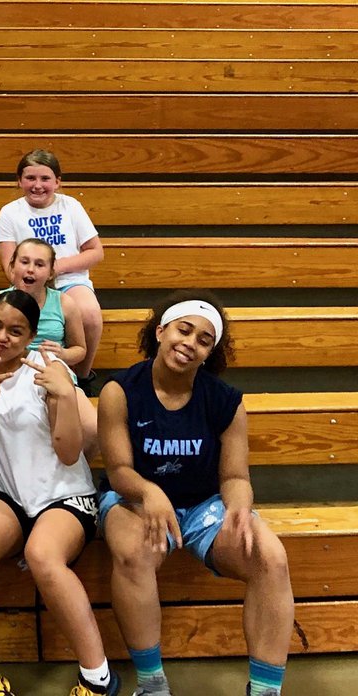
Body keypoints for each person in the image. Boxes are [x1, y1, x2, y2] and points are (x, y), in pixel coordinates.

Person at [98, 292, 292, 696]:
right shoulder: (120, 390)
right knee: (133, 552)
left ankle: (265, 691)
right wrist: (149, 492)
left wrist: (240, 507)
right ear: (161, 331)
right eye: (184, 330)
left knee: (270, 557)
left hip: (204, 505)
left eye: (204, 340)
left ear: (210, 353)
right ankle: (152, 685)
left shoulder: (225, 401)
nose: (190, 343)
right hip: (136, 498)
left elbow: (236, 475)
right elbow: (117, 471)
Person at [0, 290, 116, 696]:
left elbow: (68, 454)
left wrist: (62, 395)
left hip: (64, 494)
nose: (3, 337)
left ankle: (98, 678)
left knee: (42, 554)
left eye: (16, 331)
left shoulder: (50, 370)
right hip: (7, 493)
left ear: (30, 336)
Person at [0, 150, 103, 382]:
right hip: (28, 282)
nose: (37, 185)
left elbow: (96, 252)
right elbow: (9, 268)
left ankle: (82, 377)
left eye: (45, 179)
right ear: (19, 181)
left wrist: (57, 268)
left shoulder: (71, 206)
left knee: (91, 314)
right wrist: (38, 275)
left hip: (69, 280)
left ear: (58, 182)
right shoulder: (10, 212)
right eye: (30, 178)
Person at [4, 237, 87, 370]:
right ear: (12, 266)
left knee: (76, 392)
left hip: (52, 371)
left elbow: (80, 350)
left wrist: (63, 353)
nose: (31, 269)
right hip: (10, 371)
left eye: (39, 265)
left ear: (50, 273)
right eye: (24, 262)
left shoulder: (65, 303)